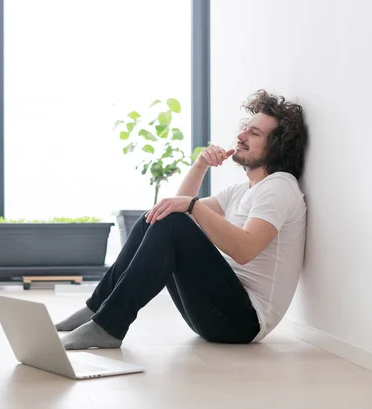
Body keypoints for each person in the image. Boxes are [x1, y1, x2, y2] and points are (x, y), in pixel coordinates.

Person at [56, 90, 309, 350]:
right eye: (245, 128)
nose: (241, 136)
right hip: (217, 311)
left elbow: (244, 250)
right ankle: (97, 310)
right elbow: (173, 212)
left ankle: (109, 326)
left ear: (277, 146)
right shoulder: (242, 191)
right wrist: (200, 165)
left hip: (244, 321)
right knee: (155, 217)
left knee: (172, 219)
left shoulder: (280, 186)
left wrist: (193, 206)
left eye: (254, 133)